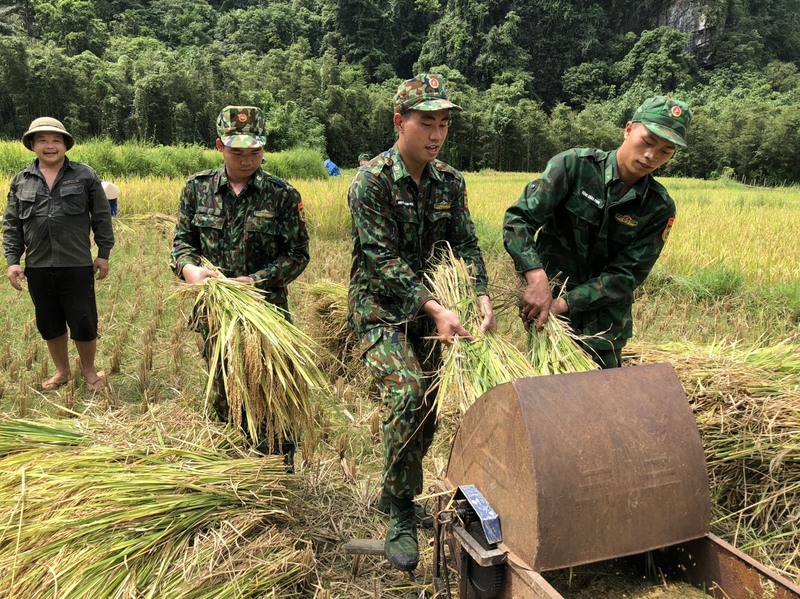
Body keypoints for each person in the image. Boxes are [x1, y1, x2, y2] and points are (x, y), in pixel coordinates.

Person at [348, 74, 496, 571]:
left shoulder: (450, 182)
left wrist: (479, 293)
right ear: (399, 123)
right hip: (382, 312)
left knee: (427, 410)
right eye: (425, 123)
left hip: (437, 313)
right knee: (409, 392)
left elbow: (467, 243)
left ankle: (396, 484)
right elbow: (380, 260)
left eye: (443, 125)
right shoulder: (370, 180)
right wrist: (435, 306)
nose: (435, 135)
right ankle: (400, 511)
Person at [503, 96, 691, 368]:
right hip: (548, 315)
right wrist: (535, 275)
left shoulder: (658, 207)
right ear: (628, 129)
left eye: (666, 151)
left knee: (601, 403)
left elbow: (626, 275)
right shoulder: (573, 167)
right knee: (545, 397)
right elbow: (518, 220)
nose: (652, 155)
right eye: (648, 141)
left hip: (605, 328)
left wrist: (564, 304)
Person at [170, 105, 310, 467]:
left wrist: (254, 281)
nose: (247, 160)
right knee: (224, 388)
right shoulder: (196, 189)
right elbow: (182, 243)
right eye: (237, 151)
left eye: (255, 151)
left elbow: (297, 254)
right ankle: (235, 469)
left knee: (272, 390)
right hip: (215, 313)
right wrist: (189, 269)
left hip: (266, 312)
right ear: (220, 146)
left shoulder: (282, 195)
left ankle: (277, 469)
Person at [3, 117, 114, 391]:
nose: (49, 145)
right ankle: (62, 371)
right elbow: (11, 224)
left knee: (84, 321)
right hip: (38, 266)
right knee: (49, 322)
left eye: (56, 140)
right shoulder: (21, 181)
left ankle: (89, 371)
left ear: (65, 144)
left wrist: (103, 253)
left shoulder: (85, 175)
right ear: (32, 145)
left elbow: (101, 216)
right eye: (42, 140)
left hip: (76, 263)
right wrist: (13, 261)